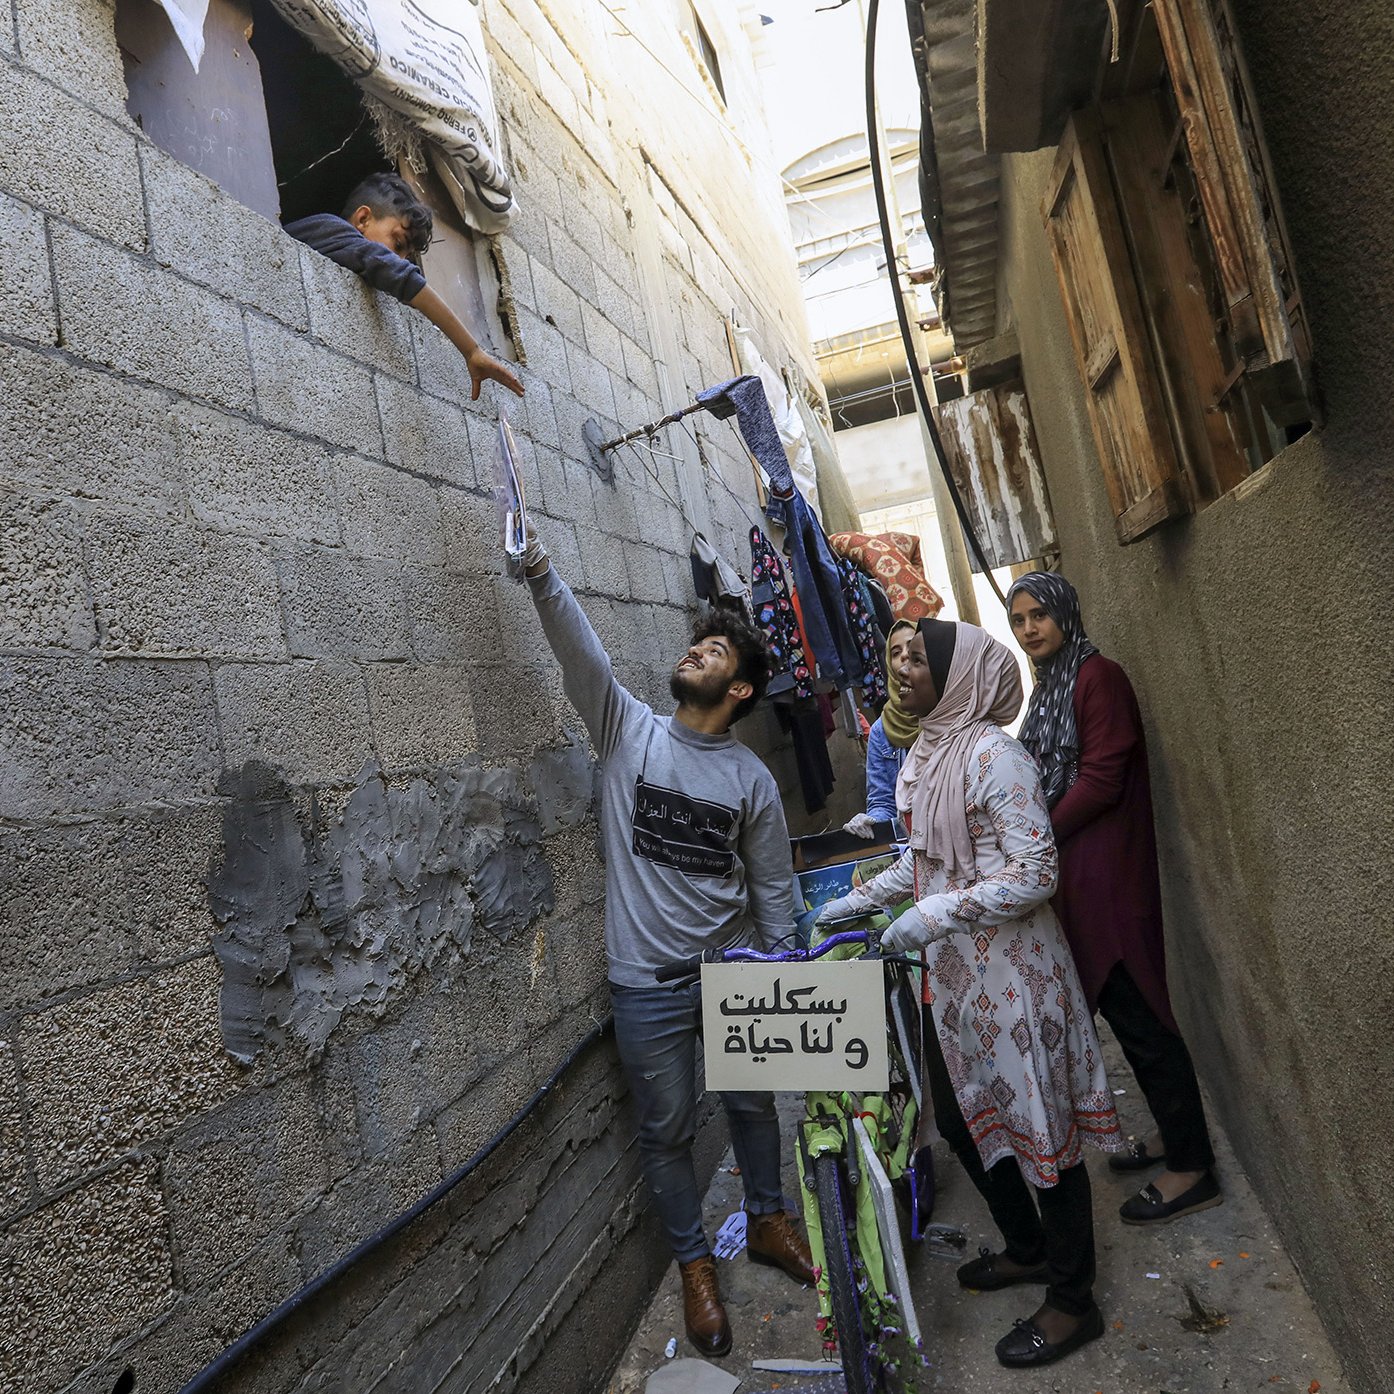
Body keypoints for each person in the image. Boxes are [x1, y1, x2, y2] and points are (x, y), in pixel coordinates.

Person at [519, 526, 815, 1357]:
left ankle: (767, 1218)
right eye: (698, 644)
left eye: (715, 650)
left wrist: (783, 977)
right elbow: (581, 657)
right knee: (667, 1128)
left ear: (743, 691)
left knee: (754, 1103)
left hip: (731, 972)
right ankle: (694, 1266)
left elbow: (771, 890)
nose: (696, 653)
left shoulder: (750, 780)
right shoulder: (628, 731)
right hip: (645, 984)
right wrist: (541, 569)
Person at [817, 619, 1121, 1369]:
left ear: (958, 677)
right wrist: (855, 901)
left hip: (1016, 976)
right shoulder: (926, 753)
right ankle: (1028, 1246)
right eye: (898, 657)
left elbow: (1035, 873)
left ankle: (1074, 1300)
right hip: (955, 983)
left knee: (1043, 1125)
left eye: (920, 658)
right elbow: (924, 866)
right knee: (957, 1117)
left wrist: (932, 914)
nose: (903, 668)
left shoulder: (994, 754)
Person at [1007, 572, 1221, 1225]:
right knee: (1129, 1020)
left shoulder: (1099, 678)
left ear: (1066, 613)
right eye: (1018, 620)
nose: (1029, 628)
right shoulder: (1050, 688)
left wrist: (1037, 833)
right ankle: (1171, 1136)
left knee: (1142, 1015)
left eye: (1039, 614)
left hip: (1110, 873)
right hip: (1079, 872)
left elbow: (1101, 779)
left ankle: (1193, 1169)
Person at [286, 172, 524, 401]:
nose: (398, 259)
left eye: (405, 255)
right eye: (398, 243)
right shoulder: (330, 228)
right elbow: (399, 275)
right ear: (363, 219)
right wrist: (472, 351)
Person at [842, 619, 917, 838]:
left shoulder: (948, 715)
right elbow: (883, 801)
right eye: (895, 652)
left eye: (912, 646)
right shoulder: (882, 732)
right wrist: (872, 820)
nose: (904, 655)